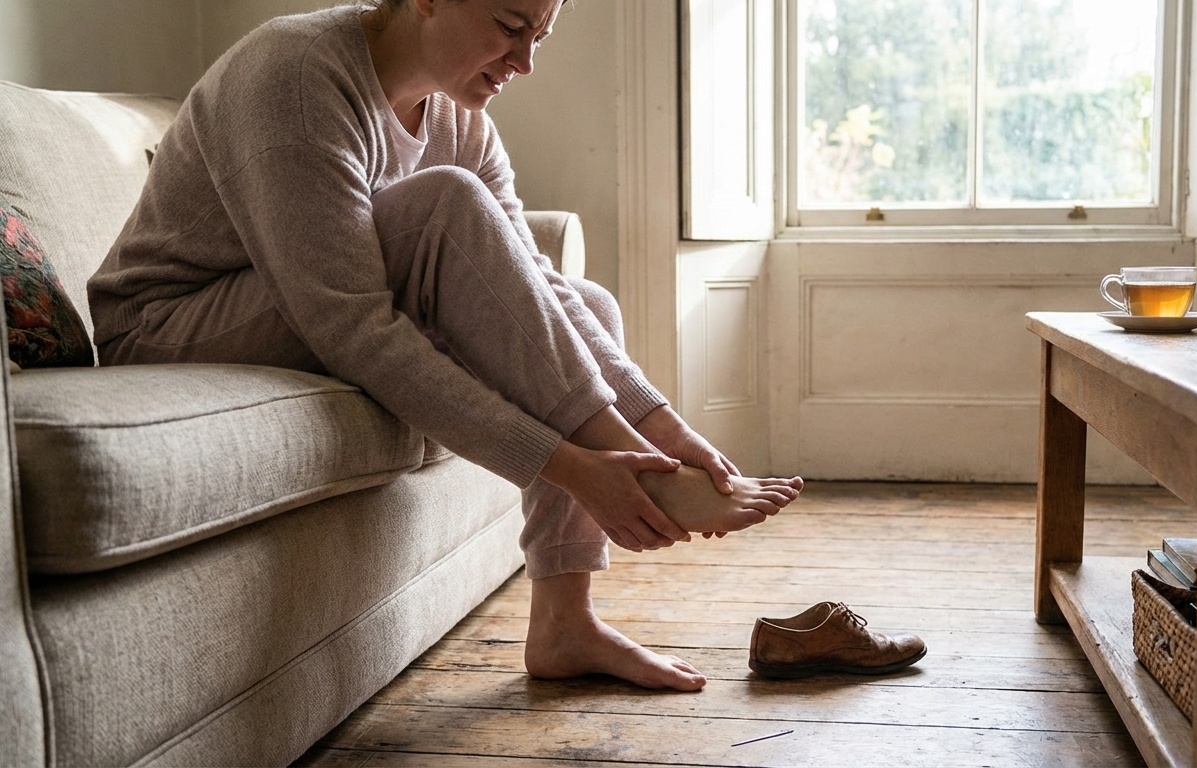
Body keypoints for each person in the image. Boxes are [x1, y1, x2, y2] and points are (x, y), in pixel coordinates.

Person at [86, 0, 803, 692]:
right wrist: (577, 467)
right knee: (446, 206)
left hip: (304, 305)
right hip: (165, 328)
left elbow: (543, 289)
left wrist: (664, 425)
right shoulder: (297, 74)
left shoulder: (461, 120)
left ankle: (566, 624)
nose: (524, 62)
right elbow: (352, 325)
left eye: (540, 37)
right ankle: (635, 472)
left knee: (587, 302)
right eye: (511, 26)